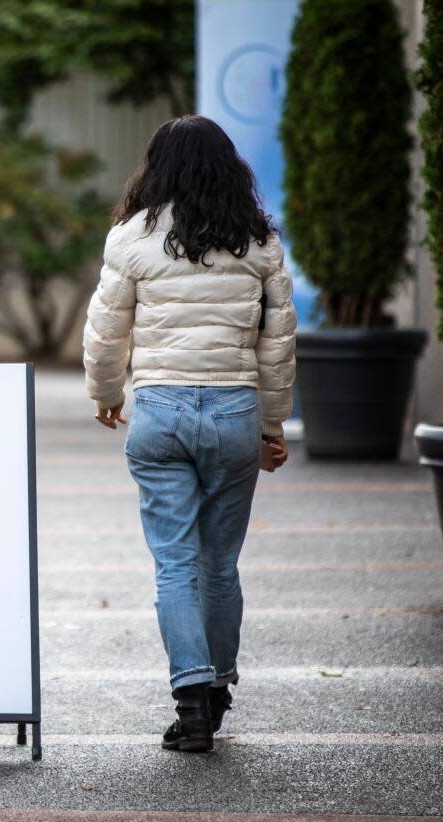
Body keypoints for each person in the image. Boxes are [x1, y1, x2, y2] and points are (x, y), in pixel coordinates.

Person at [83, 115, 297, 753]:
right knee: (220, 565)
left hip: (160, 413)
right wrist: (271, 424)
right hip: (233, 413)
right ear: (230, 167)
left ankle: (190, 700)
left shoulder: (132, 238)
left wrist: (106, 395)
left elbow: (104, 332)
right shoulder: (258, 242)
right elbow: (278, 344)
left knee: (175, 564)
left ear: (157, 168)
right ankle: (219, 691)